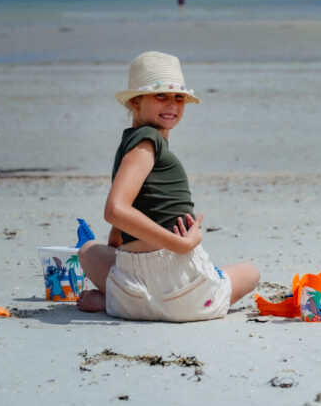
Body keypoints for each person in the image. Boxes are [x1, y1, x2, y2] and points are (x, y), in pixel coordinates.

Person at [77, 51, 260, 321]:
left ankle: (112, 301)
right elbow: (115, 210)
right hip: (190, 292)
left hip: (133, 294)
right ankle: (122, 300)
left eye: (179, 97)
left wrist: (115, 247)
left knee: (87, 251)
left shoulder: (132, 142)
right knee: (251, 272)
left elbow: (128, 209)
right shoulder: (148, 142)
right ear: (136, 101)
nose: (172, 105)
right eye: (161, 96)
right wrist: (179, 245)